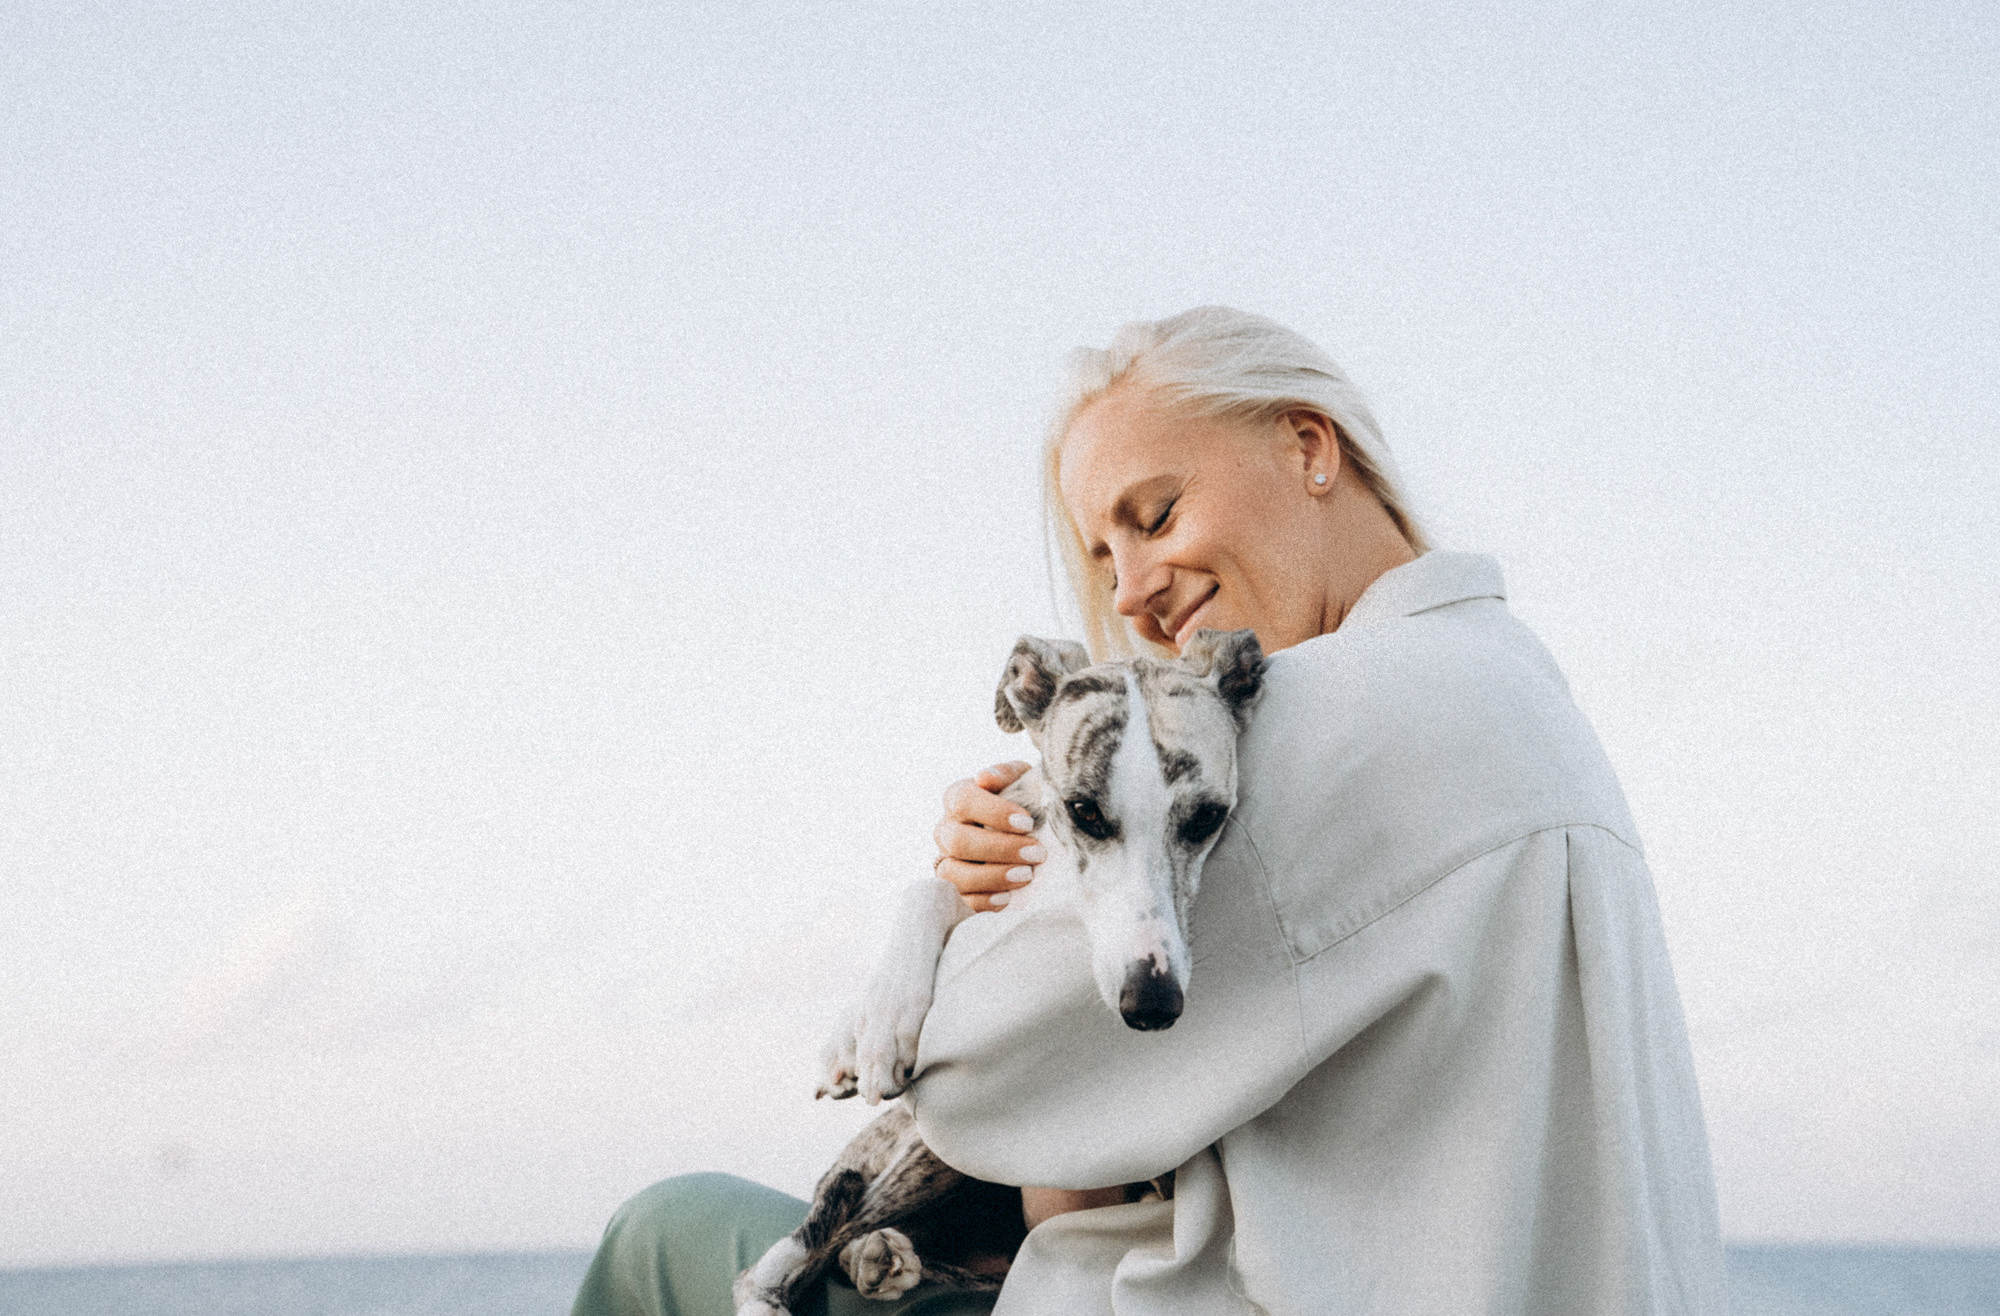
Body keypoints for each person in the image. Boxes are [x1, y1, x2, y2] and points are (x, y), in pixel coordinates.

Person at [572, 307, 1727, 1316]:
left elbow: (968, 1072)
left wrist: (985, 893)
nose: (1127, 589)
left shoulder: (1316, 721)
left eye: (1158, 512)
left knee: (659, 1233)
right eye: (1102, 549)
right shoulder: (1517, 690)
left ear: (1308, 445)